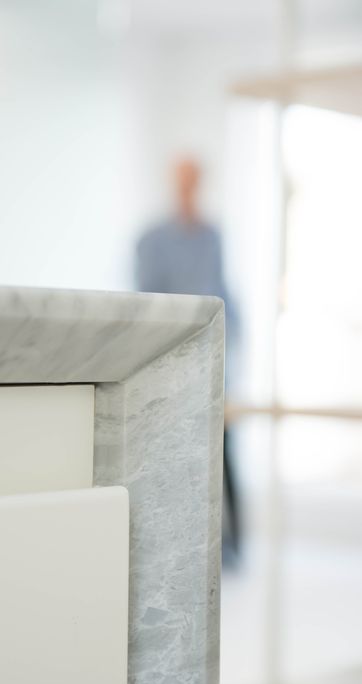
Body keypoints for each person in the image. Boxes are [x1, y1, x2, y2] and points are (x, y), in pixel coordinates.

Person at [135, 158, 240, 559]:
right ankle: (173, 542)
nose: (189, 187)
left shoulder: (212, 235)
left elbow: (221, 293)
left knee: (221, 449)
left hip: (213, 355)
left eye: (195, 180)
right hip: (169, 360)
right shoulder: (152, 239)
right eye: (184, 180)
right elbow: (149, 302)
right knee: (170, 451)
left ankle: (228, 545)